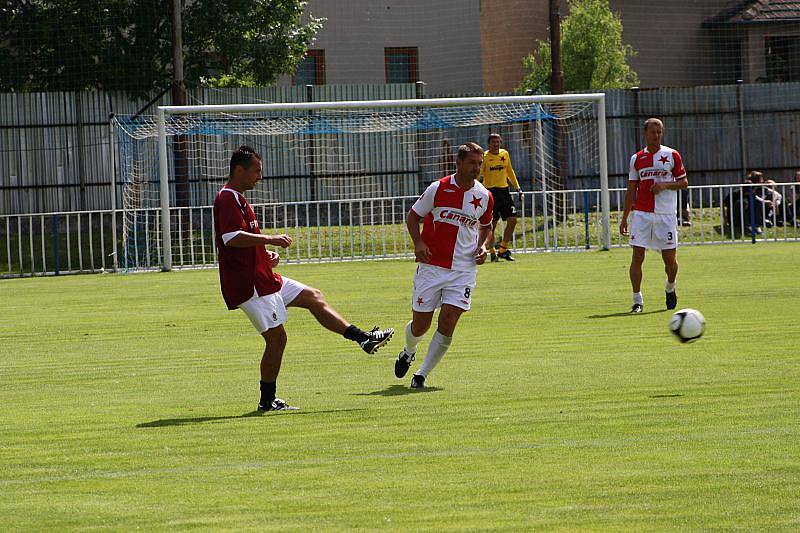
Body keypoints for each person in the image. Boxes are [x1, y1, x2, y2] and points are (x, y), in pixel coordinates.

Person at [214, 146, 394, 411]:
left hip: (263, 277)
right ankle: (267, 401)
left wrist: (265, 255)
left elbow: (244, 242)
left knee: (313, 296)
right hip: (249, 286)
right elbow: (230, 239)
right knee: (277, 339)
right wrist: (270, 238)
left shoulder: (239, 199)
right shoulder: (227, 198)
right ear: (239, 170)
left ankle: (363, 338)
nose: (259, 177)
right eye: (256, 171)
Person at [394, 142, 494, 388]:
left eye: (479, 164)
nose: (477, 168)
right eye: (472, 163)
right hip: (432, 266)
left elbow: (487, 226)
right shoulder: (437, 189)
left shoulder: (484, 196)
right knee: (420, 326)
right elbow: (413, 216)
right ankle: (408, 350)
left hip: (463, 270)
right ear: (458, 163)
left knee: (449, 320)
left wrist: (483, 246)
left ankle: (421, 375)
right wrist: (418, 242)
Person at [619, 118, 688, 313]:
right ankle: (637, 300)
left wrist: (665, 185)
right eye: (653, 132)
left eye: (659, 132)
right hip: (642, 214)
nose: (656, 135)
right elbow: (631, 190)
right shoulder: (637, 159)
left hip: (665, 214)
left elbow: (684, 183)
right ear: (645, 133)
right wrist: (625, 217)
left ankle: (670, 287)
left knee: (670, 262)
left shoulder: (672, 155)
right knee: (638, 255)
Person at [479, 133, 522, 262]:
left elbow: (510, 171)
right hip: (490, 193)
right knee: (491, 224)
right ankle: (492, 252)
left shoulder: (505, 154)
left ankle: (503, 249)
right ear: (489, 144)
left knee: (512, 220)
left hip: (504, 191)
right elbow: (479, 174)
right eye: (493, 142)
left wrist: (517, 187)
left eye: (498, 142)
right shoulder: (485, 157)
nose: (496, 144)